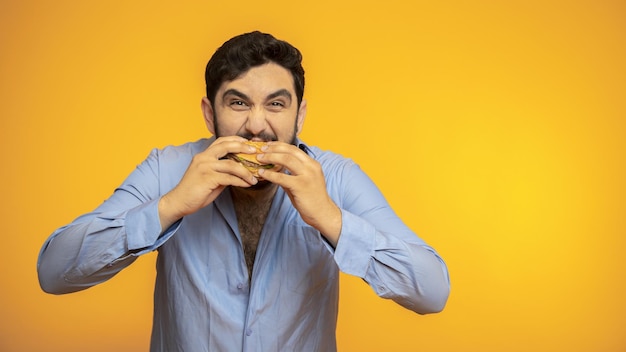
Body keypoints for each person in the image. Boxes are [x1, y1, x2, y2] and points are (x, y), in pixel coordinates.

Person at [37, 31, 450, 351]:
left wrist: (330, 218)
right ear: (208, 113)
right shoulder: (168, 169)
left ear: (299, 115)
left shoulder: (336, 178)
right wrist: (170, 206)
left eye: (275, 104)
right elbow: (53, 272)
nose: (256, 126)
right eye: (237, 103)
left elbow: (432, 291)